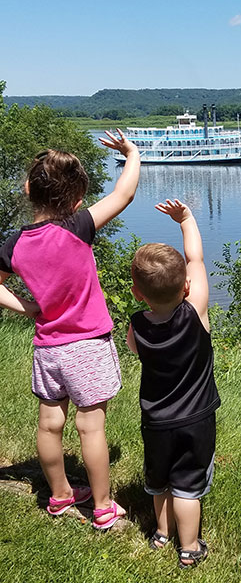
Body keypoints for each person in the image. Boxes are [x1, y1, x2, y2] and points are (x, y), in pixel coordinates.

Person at [0, 129, 140, 529]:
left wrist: (29, 308)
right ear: (78, 201)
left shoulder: (13, 244)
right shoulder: (77, 227)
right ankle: (102, 505)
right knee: (90, 426)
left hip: (48, 348)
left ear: (27, 189)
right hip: (87, 347)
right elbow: (124, 194)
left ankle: (60, 495)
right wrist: (131, 153)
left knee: (49, 423)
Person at [126, 198, 220, 568]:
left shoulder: (137, 325)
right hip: (196, 419)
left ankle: (161, 534)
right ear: (186, 287)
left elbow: (136, 350)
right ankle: (190, 547)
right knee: (187, 485)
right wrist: (186, 220)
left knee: (159, 480)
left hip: (156, 420)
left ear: (138, 293)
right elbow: (195, 260)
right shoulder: (195, 312)